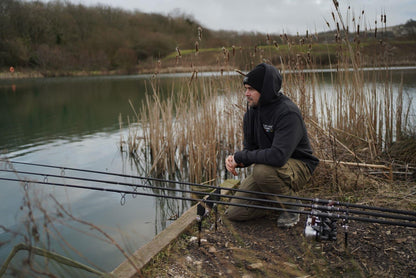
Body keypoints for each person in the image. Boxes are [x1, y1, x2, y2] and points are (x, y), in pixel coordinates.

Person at [225, 63, 319, 227]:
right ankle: (277, 203)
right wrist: (236, 160)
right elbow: (250, 150)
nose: (246, 94)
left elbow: (278, 156)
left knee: (261, 171)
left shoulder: (287, 112)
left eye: (251, 89)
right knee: (235, 213)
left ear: (266, 89)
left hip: (299, 166)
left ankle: (292, 206)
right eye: (246, 88)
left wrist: (242, 156)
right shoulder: (251, 114)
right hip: (271, 169)